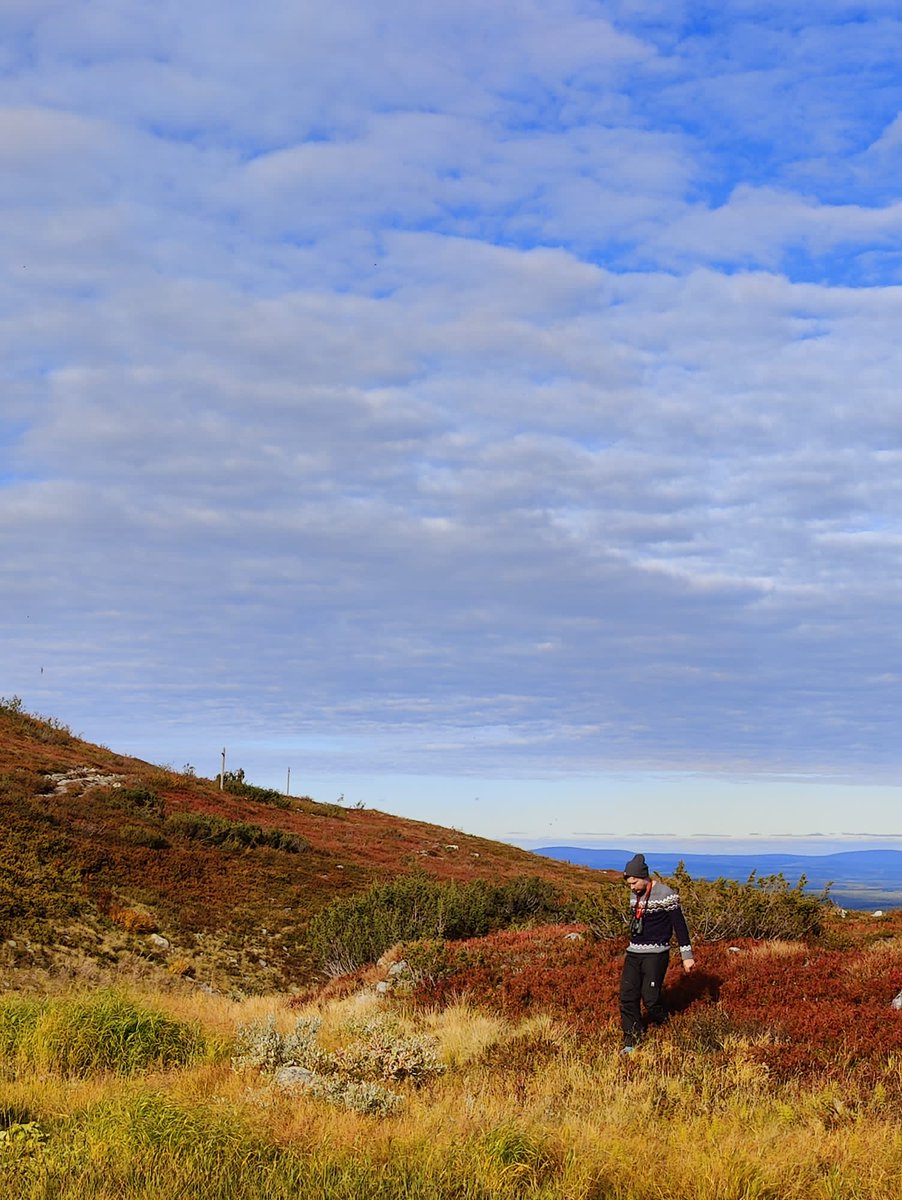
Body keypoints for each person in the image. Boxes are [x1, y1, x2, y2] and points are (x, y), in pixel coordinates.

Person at [619, 852, 694, 1052]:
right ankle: (631, 1040)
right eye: (629, 884)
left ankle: (666, 1025)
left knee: (650, 998)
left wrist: (687, 957)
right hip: (633, 953)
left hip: (656, 954)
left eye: (634, 883)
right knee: (627, 996)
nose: (632, 887)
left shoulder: (666, 894)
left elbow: (680, 927)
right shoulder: (633, 894)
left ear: (644, 877)